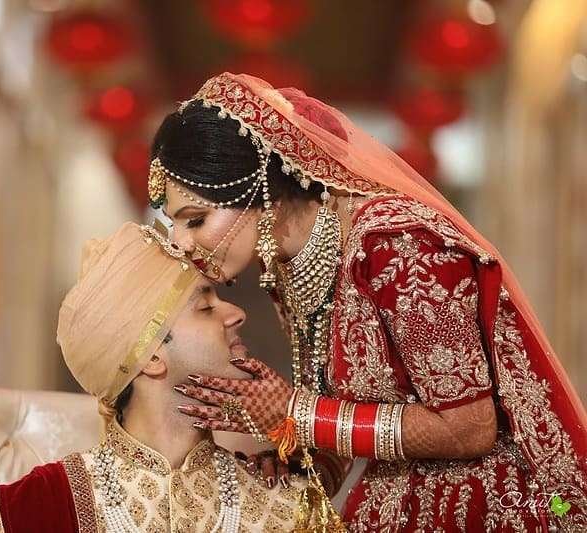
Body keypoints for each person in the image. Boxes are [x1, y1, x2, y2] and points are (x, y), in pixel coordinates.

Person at [148, 72, 587, 531]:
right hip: (391, 493)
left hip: (489, 502)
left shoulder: (397, 243)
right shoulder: (287, 269)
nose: (180, 243)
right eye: (175, 224)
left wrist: (295, 413)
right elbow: (352, 411)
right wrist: (302, 465)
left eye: (195, 219)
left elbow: (470, 427)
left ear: (260, 192)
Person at [0, 222, 345, 532]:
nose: (237, 314)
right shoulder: (38, 507)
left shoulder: (284, 503)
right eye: (205, 307)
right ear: (151, 357)